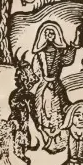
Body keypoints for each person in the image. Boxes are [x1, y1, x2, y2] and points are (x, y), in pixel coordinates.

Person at [30, 21, 76, 153]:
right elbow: (36, 69)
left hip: (56, 85)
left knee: (59, 110)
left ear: (56, 35)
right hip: (44, 87)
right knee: (43, 112)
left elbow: (67, 60)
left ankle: (60, 141)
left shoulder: (59, 52)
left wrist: (73, 47)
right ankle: (48, 140)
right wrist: (42, 79)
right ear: (43, 35)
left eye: (52, 33)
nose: (50, 35)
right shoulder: (39, 53)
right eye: (47, 33)